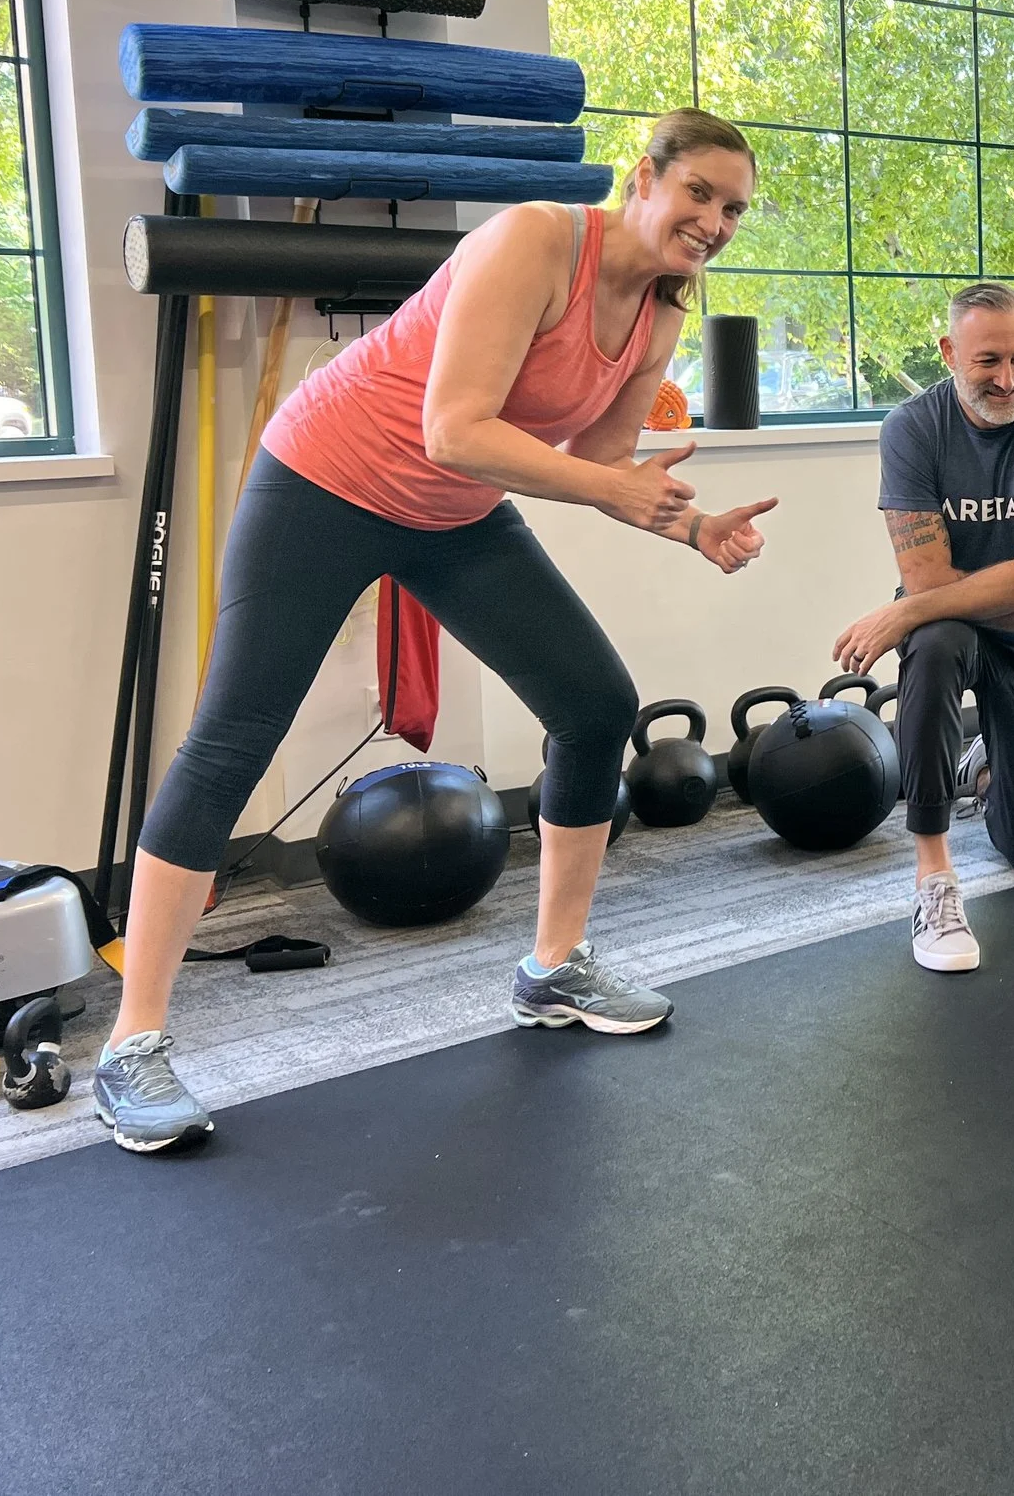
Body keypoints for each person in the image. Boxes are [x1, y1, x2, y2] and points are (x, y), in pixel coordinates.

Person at [92, 109, 779, 1154]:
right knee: (233, 738)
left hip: (454, 514)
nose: (714, 221)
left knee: (595, 707)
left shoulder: (660, 315)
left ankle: (553, 967)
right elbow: (454, 425)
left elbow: (604, 469)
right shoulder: (534, 241)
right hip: (323, 481)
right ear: (643, 178)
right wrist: (621, 490)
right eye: (699, 193)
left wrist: (691, 527)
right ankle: (130, 1046)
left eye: (732, 208)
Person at [833, 282, 1014, 972]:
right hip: (953, 627)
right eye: (988, 360)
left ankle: (982, 761)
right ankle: (934, 877)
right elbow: (927, 584)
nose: (1008, 377)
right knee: (932, 640)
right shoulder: (912, 428)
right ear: (948, 351)